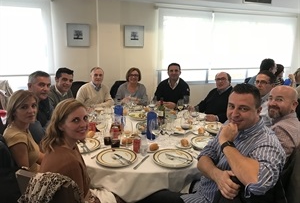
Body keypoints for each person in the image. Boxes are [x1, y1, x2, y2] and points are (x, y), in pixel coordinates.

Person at [137, 84, 286, 203]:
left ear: (258, 110)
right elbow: (204, 157)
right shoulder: (230, 124)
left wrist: (226, 143)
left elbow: (257, 183)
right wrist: (218, 175)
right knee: (145, 190)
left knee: (143, 197)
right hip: (201, 190)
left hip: (209, 199)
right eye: (231, 106)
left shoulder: (267, 142)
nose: (234, 114)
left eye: (243, 108)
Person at [39, 99, 125, 203]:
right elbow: (81, 199)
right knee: (122, 194)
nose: (84, 124)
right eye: (75, 120)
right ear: (60, 125)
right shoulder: (70, 163)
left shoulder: (57, 145)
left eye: (85, 118)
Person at [3, 90, 44, 172]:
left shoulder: (23, 127)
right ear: (14, 111)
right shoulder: (17, 137)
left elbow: (37, 155)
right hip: (35, 180)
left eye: (33, 106)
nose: (31, 111)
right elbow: (25, 174)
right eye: (24, 107)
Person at [268, 85, 300, 159]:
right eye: (270, 98)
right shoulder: (295, 123)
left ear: (293, 105)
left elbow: (270, 163)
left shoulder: (281, 129)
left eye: (279, 100)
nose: (272, 103)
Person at [27, 70, 53, 144]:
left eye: (48, 85)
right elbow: (40, 136)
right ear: (29, 86)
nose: (46, 89)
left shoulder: (45, 100)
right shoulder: (26, 106)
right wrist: (51, 125)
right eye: (41, 85)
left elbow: (55, 119)